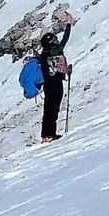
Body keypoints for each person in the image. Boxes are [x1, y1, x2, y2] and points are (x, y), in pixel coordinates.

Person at [37, 11, 74, 142]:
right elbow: (64, 41)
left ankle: (46, 135)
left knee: (48, 109)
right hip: (55, 83)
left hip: (48, 84)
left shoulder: (43, 54)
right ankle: (49, 134)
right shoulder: (54, 51)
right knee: (54, 109)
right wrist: (69, 24)